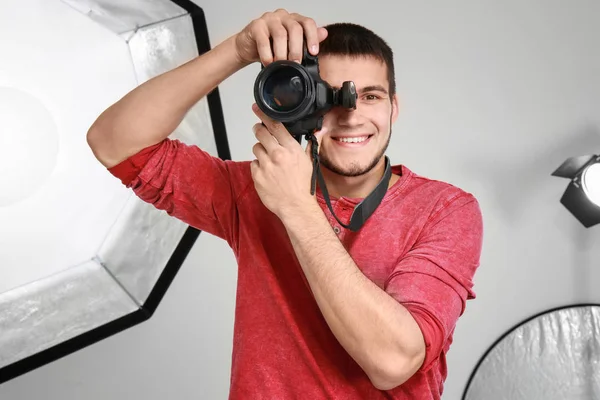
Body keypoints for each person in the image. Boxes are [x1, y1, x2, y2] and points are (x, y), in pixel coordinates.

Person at [86, 8, 483, 400]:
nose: (350, 115)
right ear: (293, 102)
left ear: (393, 108)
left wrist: (295, 207)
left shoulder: (445, 208)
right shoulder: (253, 188)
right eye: (329, 95)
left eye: (371, 96)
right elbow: (114, 141)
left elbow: (394, 361)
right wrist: (239, 50)